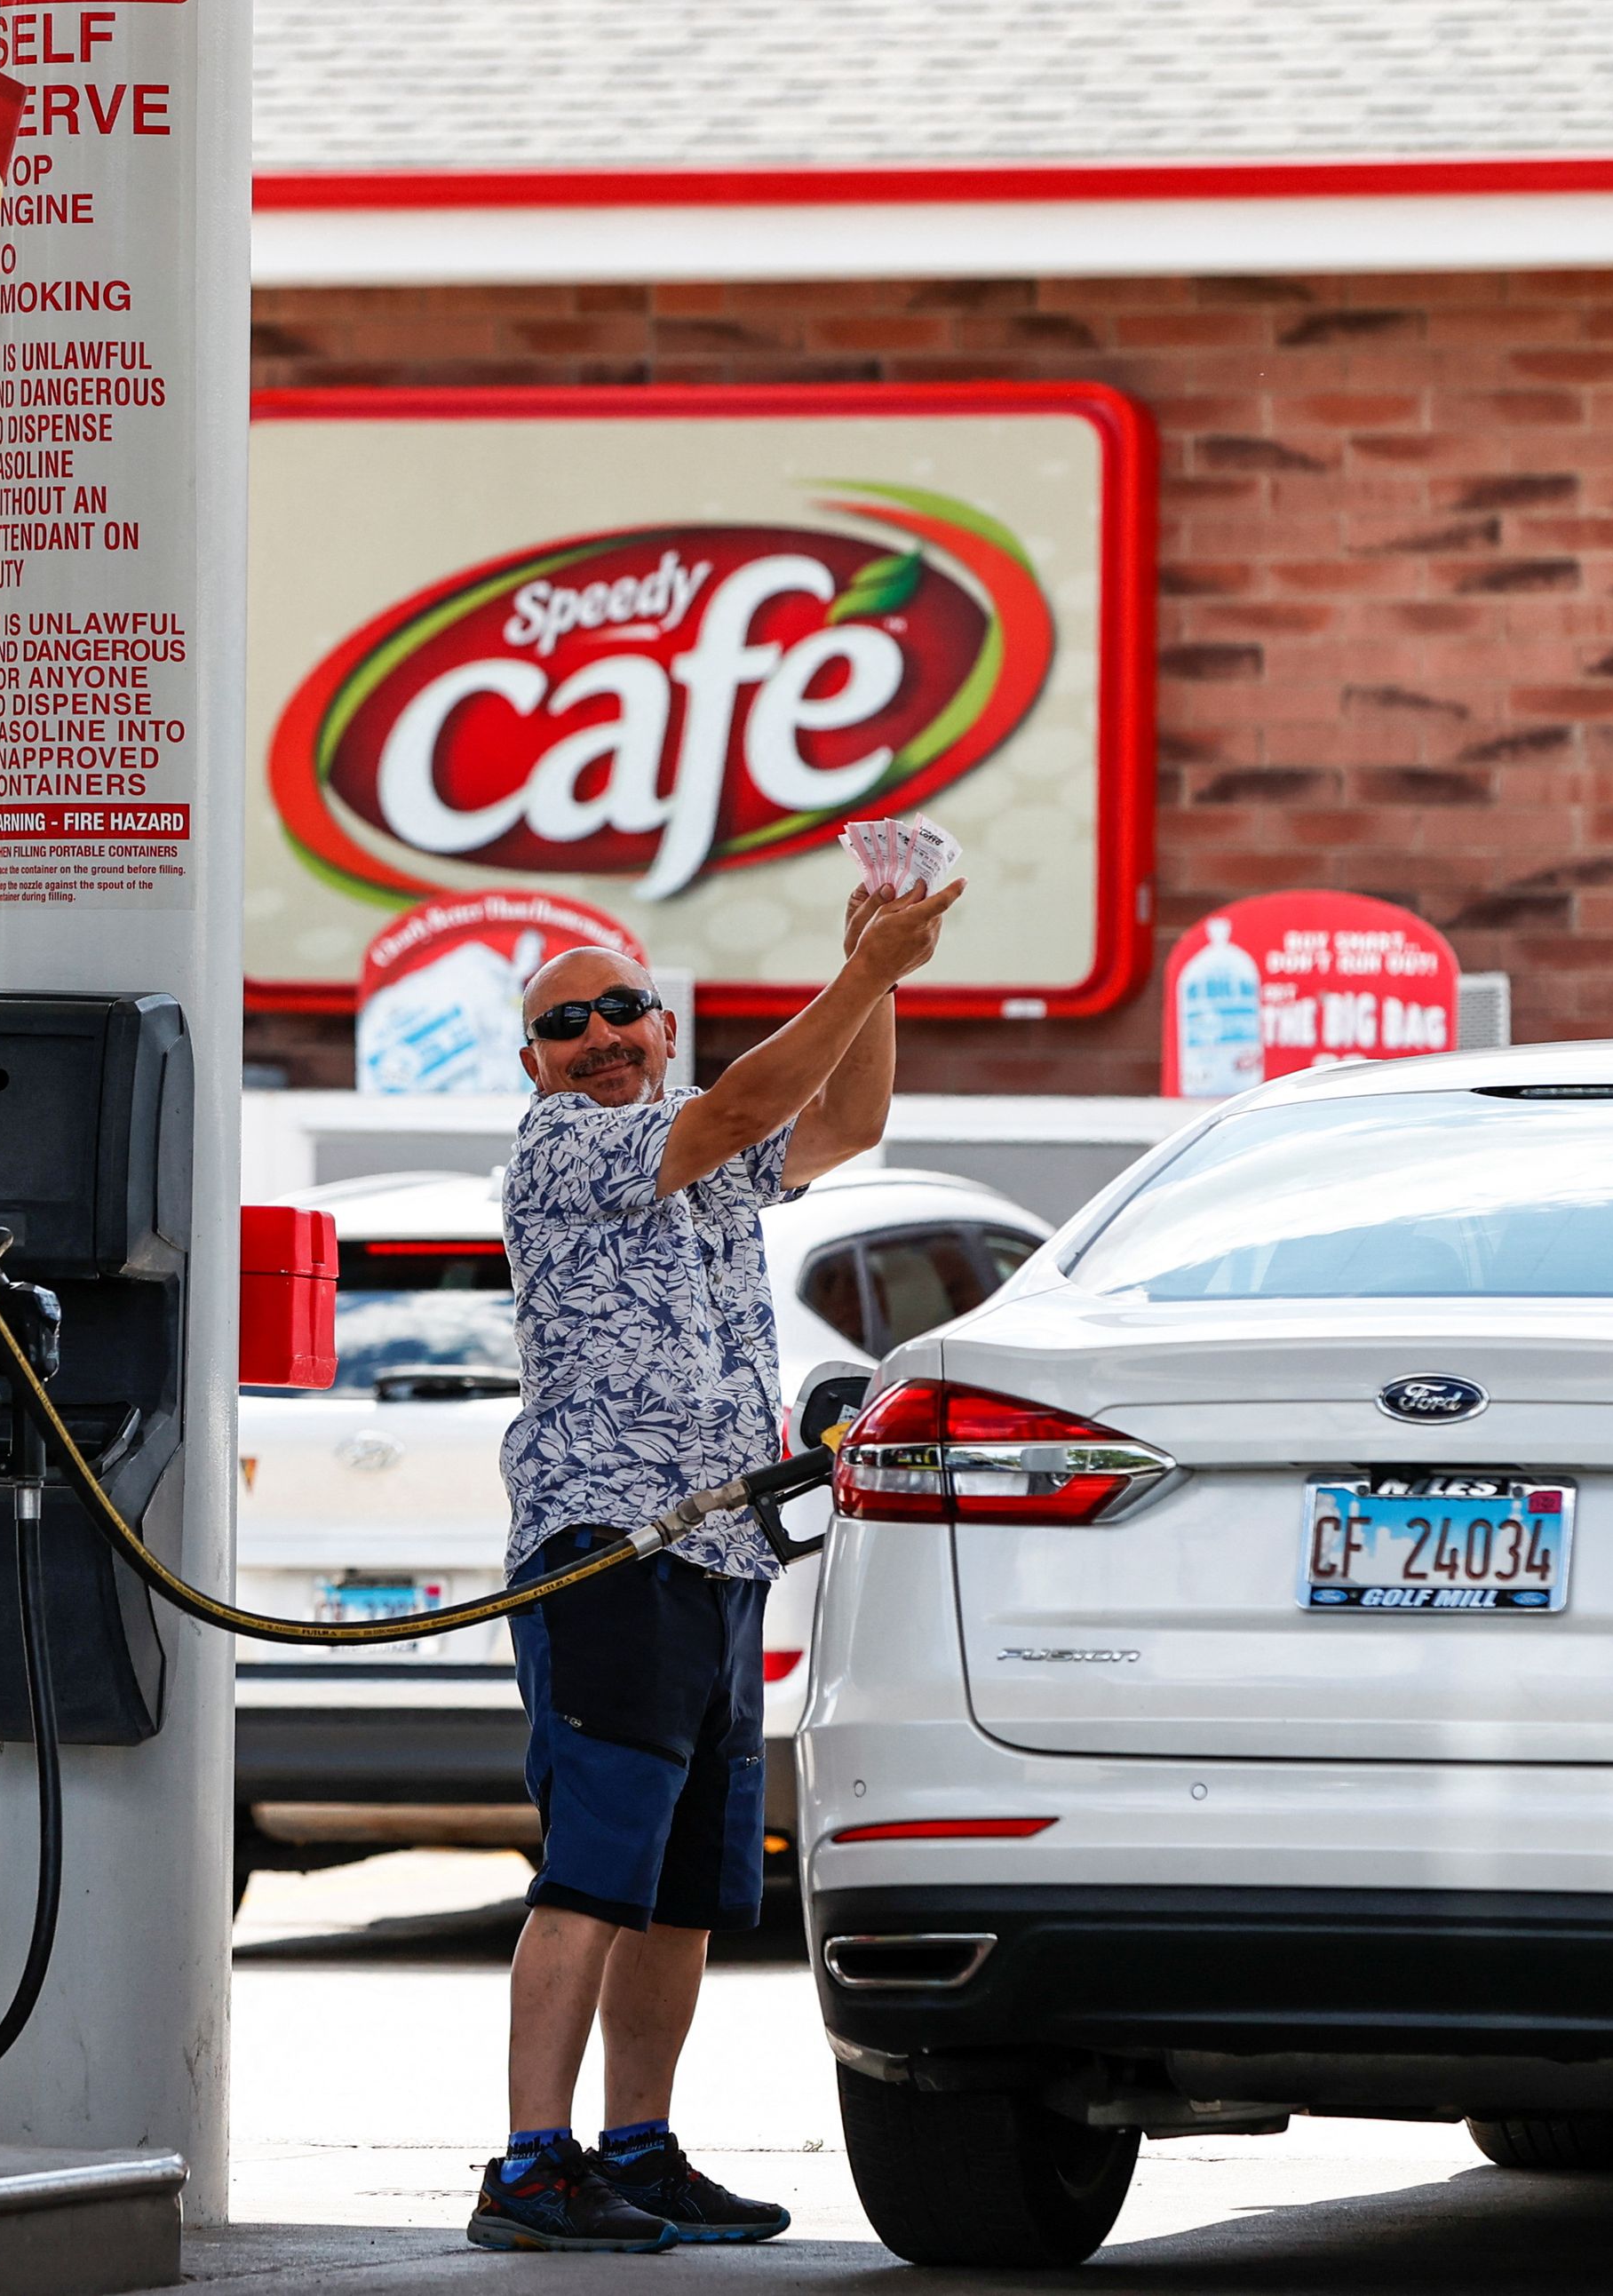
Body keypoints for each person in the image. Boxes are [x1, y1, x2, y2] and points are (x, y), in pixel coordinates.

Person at [465, 874, 965, 2253]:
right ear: (535, 1063)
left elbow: (845, 1123)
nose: (600, 1034)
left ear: (664, 1026)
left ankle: (635, 2147)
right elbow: (742, 1111)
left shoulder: (702, 1161)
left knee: (684, 1887)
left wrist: (871, 970)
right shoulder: (564, 1147)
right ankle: (527, 2166)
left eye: (622, 1008)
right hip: (607, 1549)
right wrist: (865, 970)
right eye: (567, 1022)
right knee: (592, 1868)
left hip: (722, 1550)